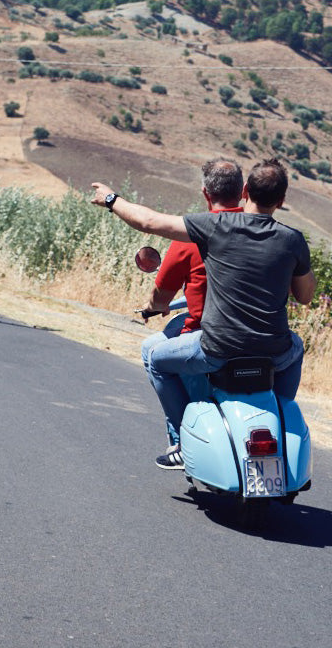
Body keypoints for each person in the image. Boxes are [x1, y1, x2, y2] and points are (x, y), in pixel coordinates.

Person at [91, 158, 316, 469]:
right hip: (273, 352)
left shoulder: (216, 227)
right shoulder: (293, 239)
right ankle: (278, 411)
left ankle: (183, 441)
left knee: (156, 359)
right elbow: (305, 296)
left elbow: (149, 221)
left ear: (246, 191)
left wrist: (111, 199)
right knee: (297, 346)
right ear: (281, 201)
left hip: (219, 349)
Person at [139, 158, 244, 453]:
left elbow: (160, 296)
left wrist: (153, 305)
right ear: (243, 191)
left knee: (152, 353)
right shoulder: (263, 233)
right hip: (261, 338)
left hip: (207, 336)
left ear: (205, 193)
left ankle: (181, 440)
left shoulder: (192, 235)